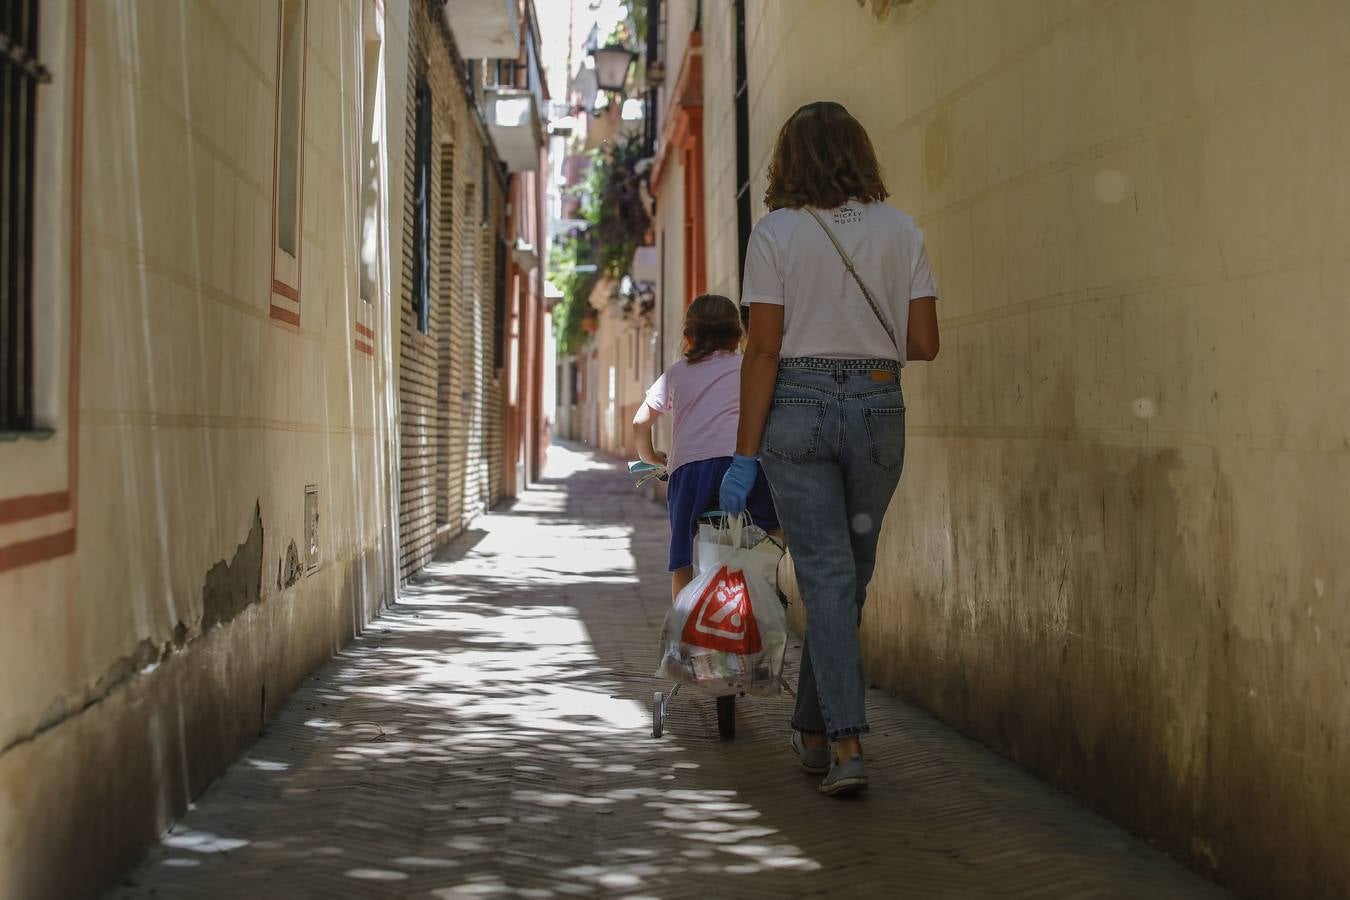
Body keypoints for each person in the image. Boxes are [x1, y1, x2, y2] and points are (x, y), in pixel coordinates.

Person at [719, 101, 940, 796]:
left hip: (798, 409)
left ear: (789, 161)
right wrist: (861, 335)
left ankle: (837, 740)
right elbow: (926, 343)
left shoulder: (776, 233)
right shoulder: (902, 231)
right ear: (859, 153)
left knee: (829, 579)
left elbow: (762, 349)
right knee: (847, 577)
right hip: (878, 406)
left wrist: (743, 455)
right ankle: (824, 736)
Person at [634, 294, 779, 602]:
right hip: (743, 463)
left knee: (684, 559)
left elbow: (639, 422)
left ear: (688, 337)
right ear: (739, 335)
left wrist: (653, 459)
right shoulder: (748, 367)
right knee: (773, 528)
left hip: (690, 472)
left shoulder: (676, 372)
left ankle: (684, 637)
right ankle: (762, 593)